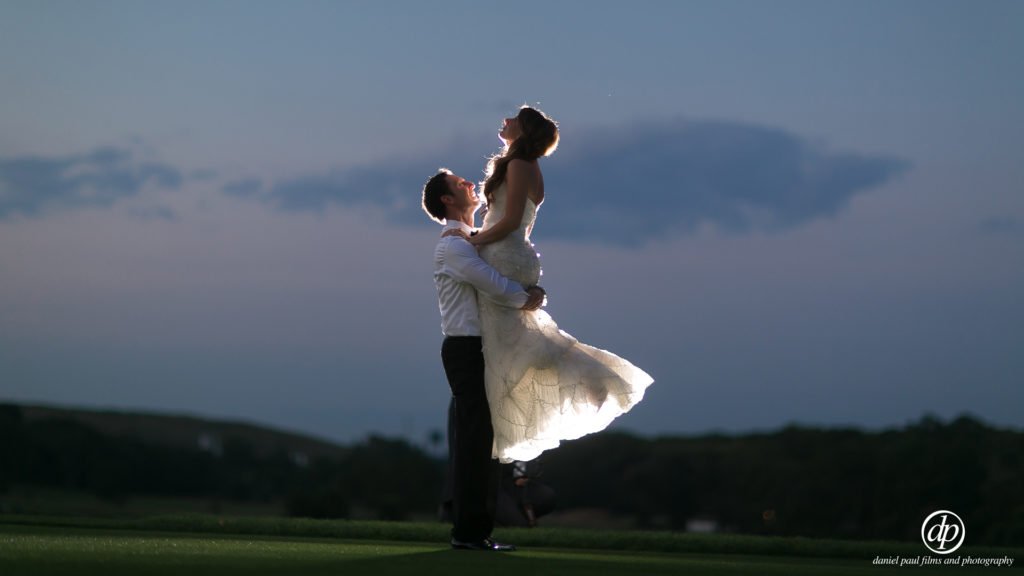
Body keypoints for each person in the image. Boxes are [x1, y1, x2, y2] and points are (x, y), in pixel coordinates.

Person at [444, 106, 654, 464]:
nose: (505, 120)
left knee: (506, 346)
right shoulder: (527, 167)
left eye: (513, 118)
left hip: (505, 253)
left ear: (524, 131)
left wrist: (472, 241)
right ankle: (578, 382)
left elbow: (510, 221)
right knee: (515, 341)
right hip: (513, 253)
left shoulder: (518, 166)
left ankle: (589, 379)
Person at [422, 168, 545, 552]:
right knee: (475, 442)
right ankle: (468, 533)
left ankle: (477, 531)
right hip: (465, 349)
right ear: (446, 200)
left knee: (484, 441)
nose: (469, 184)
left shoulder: (471, 240)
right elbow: (494, 285)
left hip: (482, 348)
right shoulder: (453, 246)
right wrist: (528, 295)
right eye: (459, 184)